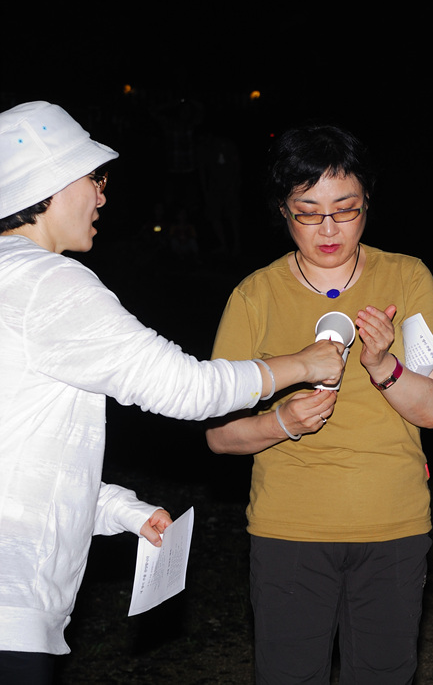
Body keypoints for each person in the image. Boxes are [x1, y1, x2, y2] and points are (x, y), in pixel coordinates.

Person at [0, 101, 346, 683]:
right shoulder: (46, 283)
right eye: (94, 177)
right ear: (51, 184)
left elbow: (21, 461)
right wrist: (300, 363)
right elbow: (186, 388)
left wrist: (124, 512)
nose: (103, 195)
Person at [205, 123, 433, 684]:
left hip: (393, 524)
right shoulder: (255, 295)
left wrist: (384, 366)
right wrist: (282, 421)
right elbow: (219, 435)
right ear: (283, 211)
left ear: (368, 203)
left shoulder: (407, 277)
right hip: (289, 530)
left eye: (345, 210)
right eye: (308, 212)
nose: (328, 228)